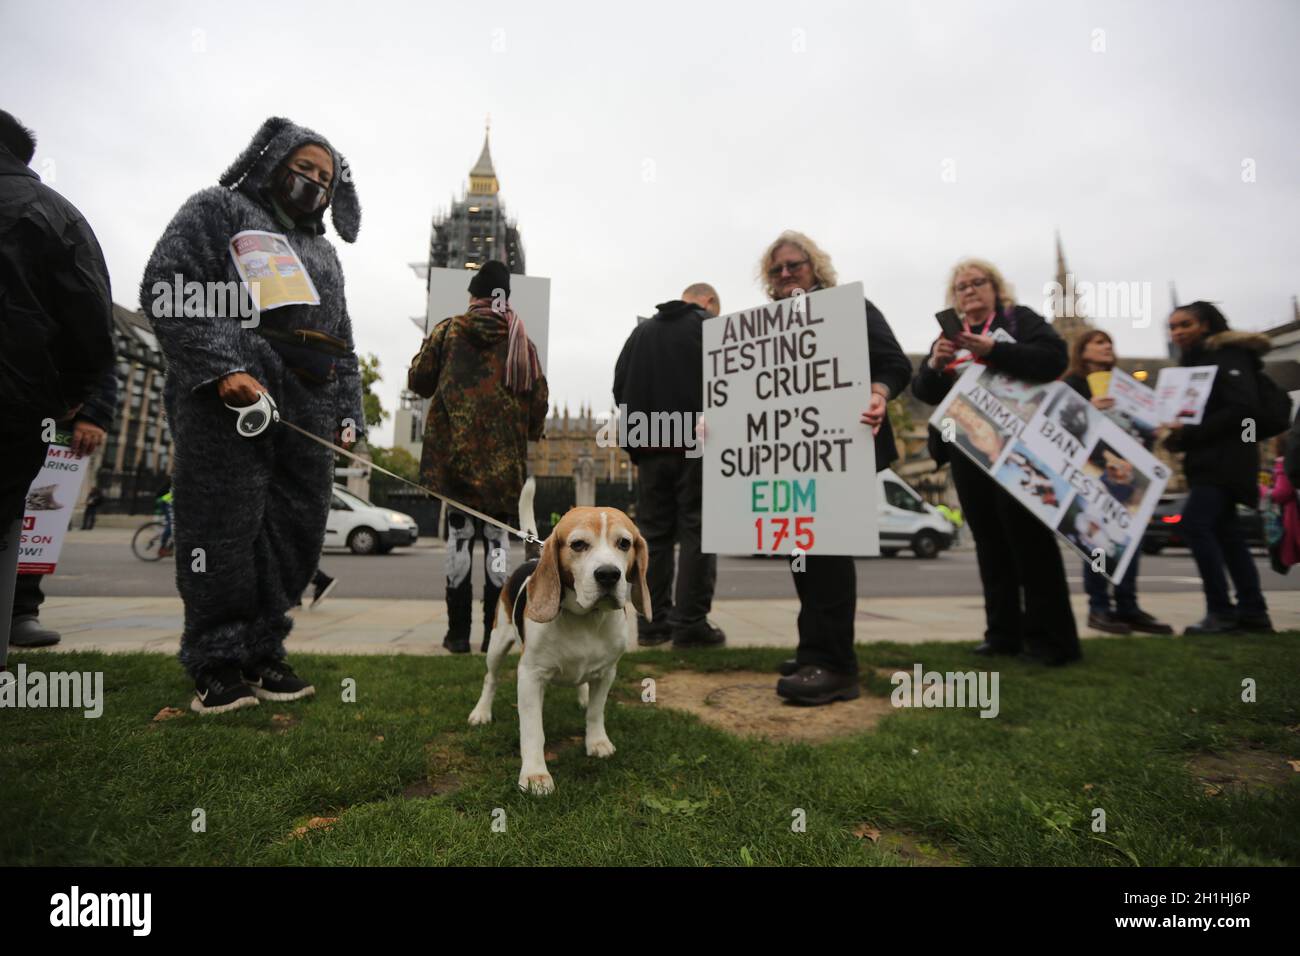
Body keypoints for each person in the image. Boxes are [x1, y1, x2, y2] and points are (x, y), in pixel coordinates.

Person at [140, 116, 365, 713]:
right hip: (231, 394)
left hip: (306, 406)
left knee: (294, 528)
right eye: (305, 168)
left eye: (326, 175)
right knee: (222, 528)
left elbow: (340, 337)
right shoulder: (219, 209)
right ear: (273, 162)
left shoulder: (323, 252)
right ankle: (215, 660)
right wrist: (220, 366)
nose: (314, 181)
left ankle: (265, 647)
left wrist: (349, 414)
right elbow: (168, 285)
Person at [751, 232, 913, 705]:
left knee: (828, 555)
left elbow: (894, 363)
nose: (785, 274)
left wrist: (879, 393)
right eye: (776, 269)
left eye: (794, 265)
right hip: (790, 455)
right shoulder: (768, 324)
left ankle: (837, 666)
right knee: (801, 553)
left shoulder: (851, 307)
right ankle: (813, 651)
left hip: (841, 450)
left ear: (814, 267)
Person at [912, 258, 1081, 665]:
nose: (969, 291)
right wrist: (936, 364)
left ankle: (1051, 642)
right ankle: (1002, 634)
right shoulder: (950, 336)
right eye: (961, 286)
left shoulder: (1019, 320)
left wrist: (996, 350)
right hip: (969, 450)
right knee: (990, 544)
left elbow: (1053, 359)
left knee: (1030, 543)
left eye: (977, 283)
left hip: (1019, 450)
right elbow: (924, 391)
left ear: (995, 288)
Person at [0, 110, 115, 660]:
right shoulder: (61, 216)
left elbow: (92, 325)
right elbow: (92, 327)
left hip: (27, 397)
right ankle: (15, 611)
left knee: (25, 515)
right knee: (10, 515)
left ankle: (21, 608)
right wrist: (73, 398)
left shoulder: (47, 215)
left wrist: (88, 406)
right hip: (22, 404)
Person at [407, 260, 548, 654]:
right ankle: (491, 635)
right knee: (497, 547)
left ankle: (456, 636)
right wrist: (528, 433)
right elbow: (539, 403)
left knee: (459, 542)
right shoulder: (522, 341)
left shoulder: (449, 331)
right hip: (503, 473)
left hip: (454, 466)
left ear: (473, 296)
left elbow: (418, 381)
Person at [612, 283, 724, 649]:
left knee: (654, 537)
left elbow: (619, 386)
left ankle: (653, 623)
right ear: (707, 302)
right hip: (697, 442)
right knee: (698, 530)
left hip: (649, 446)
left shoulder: (641, 332)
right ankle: (690, 623)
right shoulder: (709, 326)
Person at [1163, 302, 1272, 634]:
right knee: (1228, 534)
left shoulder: (1228, 356)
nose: (1177, 332)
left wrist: (1189, 433)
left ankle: (1221, 611)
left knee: (1195, 525)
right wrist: (1174, 438)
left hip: (1226, 461)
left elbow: (1243, 409)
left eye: (1185, 324)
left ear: (1206, 325)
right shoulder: (1191, 364)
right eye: (1173, 327)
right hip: (1206, 461)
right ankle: (1252, 613)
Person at [1061, 329, 1172, 635]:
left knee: (1129, 541)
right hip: (1094, 472)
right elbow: (1059, 425)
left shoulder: (1125, 384)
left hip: (1129, 470)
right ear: (1081, 351)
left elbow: (1143, 427)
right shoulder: (1072, 385)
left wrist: (1157, 425)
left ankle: (1128, 606)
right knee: (1098, 540)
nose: (1107, 346)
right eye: (1098, 342)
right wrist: (1089, 410)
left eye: (1109, 342)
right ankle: (1099, 608)